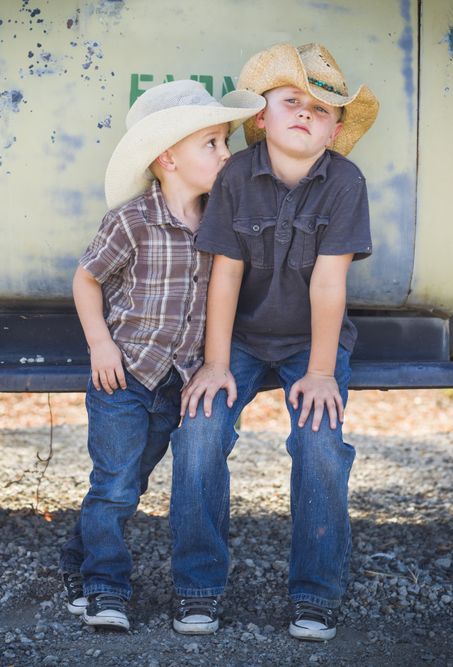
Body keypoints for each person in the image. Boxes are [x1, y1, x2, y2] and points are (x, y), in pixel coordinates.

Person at [168, 42, 379, 641]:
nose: (306, 113)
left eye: (321, 108)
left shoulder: (344, 183)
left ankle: (315, 595)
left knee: (318, 443)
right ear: (262, 117)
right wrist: (213, 363)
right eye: (292, 101)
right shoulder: (236, 175)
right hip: (237, 338)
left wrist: (319, 373)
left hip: (310, 341)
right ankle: (197, 590)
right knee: (200, 432)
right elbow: (225, 274)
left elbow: (330, 283)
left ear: (336, 130)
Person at [58, 79, 264, 631]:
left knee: (132, 481)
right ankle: (106, 588)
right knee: (116, 485)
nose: (227, 154)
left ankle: (77, 562)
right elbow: (86, 279)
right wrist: (99, 343)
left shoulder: (218, 224)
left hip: (177, 381)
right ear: (167, 158)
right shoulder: (131, 220)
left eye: (225, 143)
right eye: (213, 144)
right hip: (122, 378)